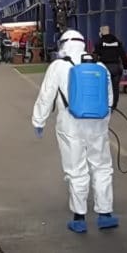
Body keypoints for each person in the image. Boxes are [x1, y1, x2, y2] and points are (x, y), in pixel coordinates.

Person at [32, 30, 118, 233]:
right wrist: (103, 121)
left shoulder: (58, 66)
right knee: (102, 167)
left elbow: (46, 95)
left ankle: (79, 218)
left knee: (76, 170)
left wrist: (38, 121)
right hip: (97, 124)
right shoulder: (99, 66)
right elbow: (109, 99)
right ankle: (105, 214)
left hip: (69, 125)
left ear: (63, 45)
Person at [93, 25, 127, 109]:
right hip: (116, 67)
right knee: (115, 87)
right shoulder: (117, 42)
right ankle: (114, 105)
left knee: (104, 86)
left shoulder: (99, 42)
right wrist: (126, 67)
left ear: (101, 33)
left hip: (104, 67)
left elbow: (95, 56)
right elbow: (123, 55)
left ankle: (106, 104)